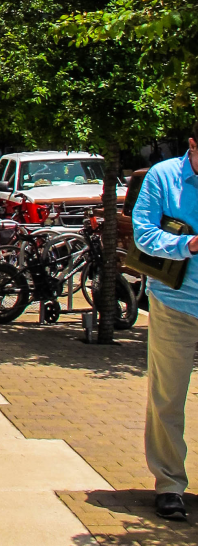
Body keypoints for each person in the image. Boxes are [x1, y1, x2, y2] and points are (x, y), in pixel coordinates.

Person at [132, 120, 198, 521]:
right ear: (192, 145)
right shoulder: (163, 176)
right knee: (168, 397)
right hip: (176, 302)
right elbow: (143, 233)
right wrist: (187, 244)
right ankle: (170, 484)